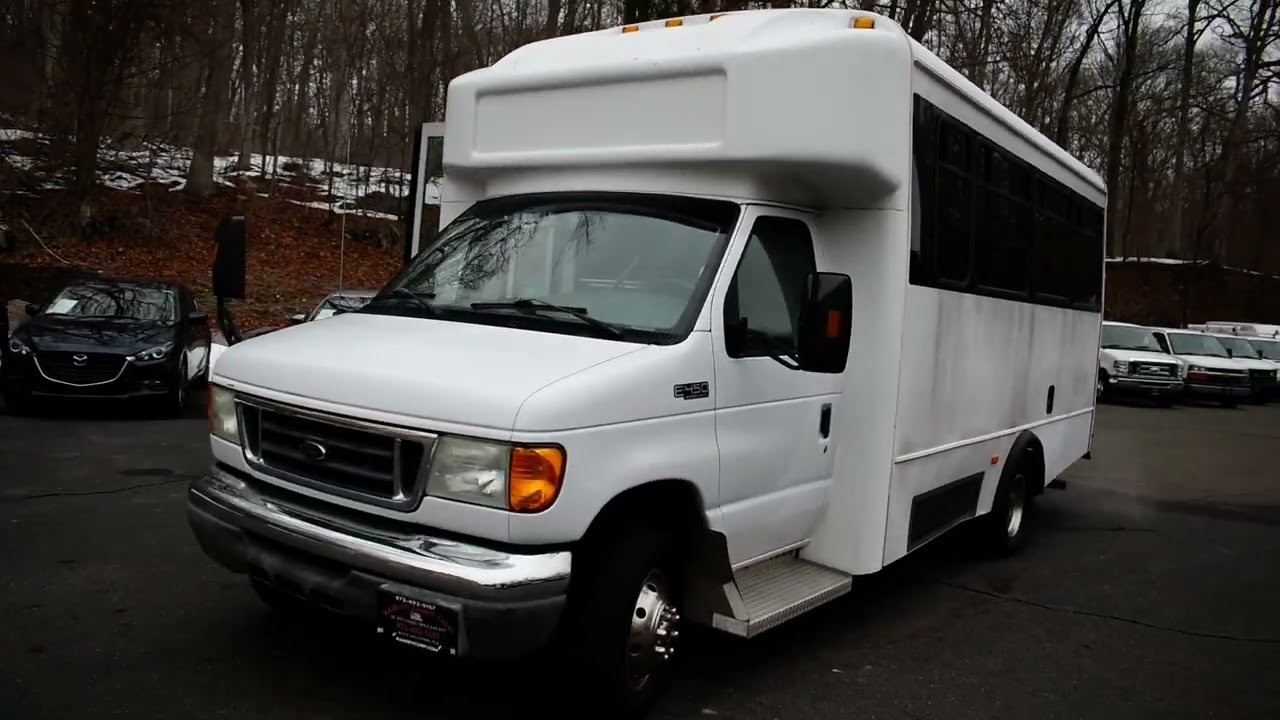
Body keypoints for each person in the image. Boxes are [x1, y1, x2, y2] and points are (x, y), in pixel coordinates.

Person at [212, 195, 248, 345]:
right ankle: (225, 320)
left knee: (222, 297)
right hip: (234, 266)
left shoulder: (227, 224)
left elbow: (217, 244)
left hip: (225, 265)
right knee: (226, 298)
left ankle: (224, 320)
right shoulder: (242, 225)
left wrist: (214, 260)